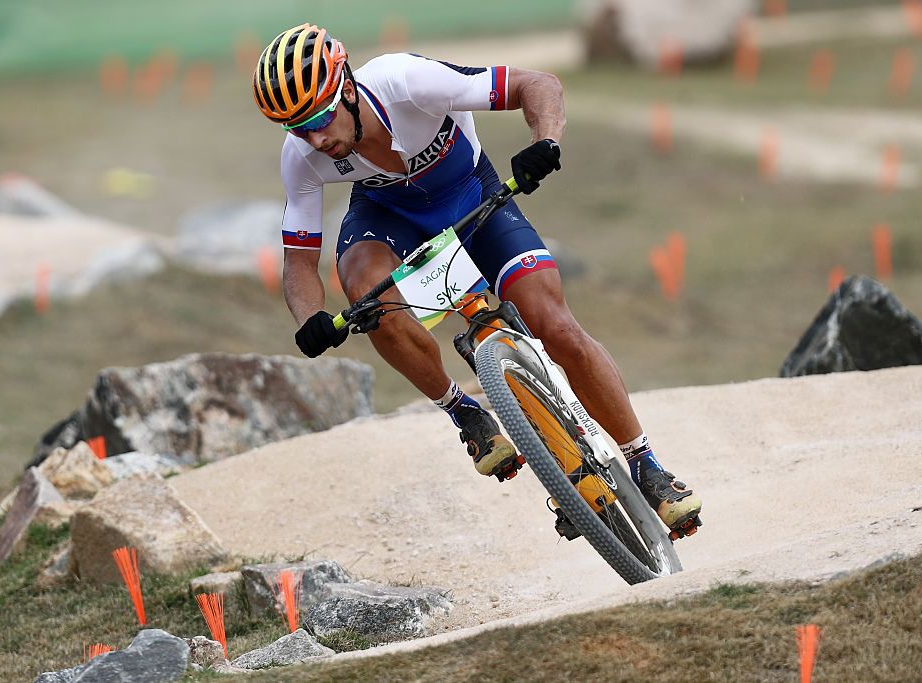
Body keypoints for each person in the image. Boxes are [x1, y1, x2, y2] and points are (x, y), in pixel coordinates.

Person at [253, 23, 702, 537]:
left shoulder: (406, 82)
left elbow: (538, 84)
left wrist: (545, 142)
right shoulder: (303, 157)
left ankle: (646, 464)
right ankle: (464, 412)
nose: (316, 138)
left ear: (348, 87)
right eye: (297, 128)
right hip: (387, 215)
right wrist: (310, 318)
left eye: (320, 117)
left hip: (471, 192)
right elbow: (299, 261)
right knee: (363, 294)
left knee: (554, 326)